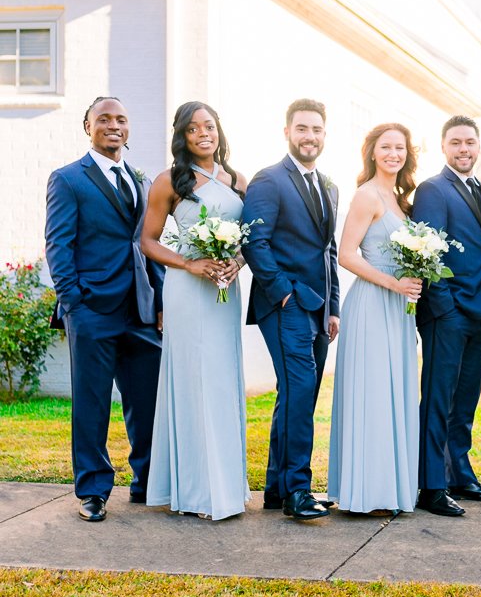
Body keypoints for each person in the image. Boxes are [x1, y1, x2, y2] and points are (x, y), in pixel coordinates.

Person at [45, 96, 164, 522]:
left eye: (121, 119)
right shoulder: (68, 179)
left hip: (140, 310)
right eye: (104, 119)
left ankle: (146, 481)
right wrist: (74, 300)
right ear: (87, 126)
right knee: (92, 403)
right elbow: (58, 245)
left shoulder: (140, 179)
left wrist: (161, 301)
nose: (114, 125)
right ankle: (93, 489)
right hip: (91, 309)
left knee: (147, 402)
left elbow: (147, 245)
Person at [140, 102, 249, 520]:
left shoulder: (239, 180)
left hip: (224, 290)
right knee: (194, 380)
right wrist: (190, 264)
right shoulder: (169, 181)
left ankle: (226, 487)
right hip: (188, 289)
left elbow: (248, 239)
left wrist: (234, 264)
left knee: (222, 382)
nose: (203, 133)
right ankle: (197, 492)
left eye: (209, 125)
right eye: (193, 128)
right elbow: (147, 240)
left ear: (219, 130)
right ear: (181, 136)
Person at [242, 100, 340, 521]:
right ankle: (299, 489)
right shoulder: (269, 180)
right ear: (287, 132)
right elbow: (254, 242)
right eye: (302, 128)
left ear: (324, 134)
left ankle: (278, 487)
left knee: (300, 394)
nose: (310, 136)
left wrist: (333, 306)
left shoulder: (329, 186)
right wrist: (282, 293)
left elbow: (329, 251)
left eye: (317, 129)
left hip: (319, 307)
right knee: (300, 390)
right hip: (284, 304)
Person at [411, 116, 481, 517]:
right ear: (443, 147)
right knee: (438, 399)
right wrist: (444, 307)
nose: (463, 148)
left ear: (479, 145)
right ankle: (431, 487)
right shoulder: (433, 190)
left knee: (465, 400)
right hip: (447, 313)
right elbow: (427, 251)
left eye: (469, 141)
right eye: (455, 142)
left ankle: (460, 475)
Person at [327, 124, 421, 513]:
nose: (393, 154)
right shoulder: (366, 196)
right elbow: (346, 254)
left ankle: (390, 487)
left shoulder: (400, 199)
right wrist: (392, 283)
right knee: (373, 394)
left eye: (400, 148)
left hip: (399, 309)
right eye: (386, 147)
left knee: (393, 393)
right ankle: (367, 492)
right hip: (372, 303)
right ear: (371, 152)